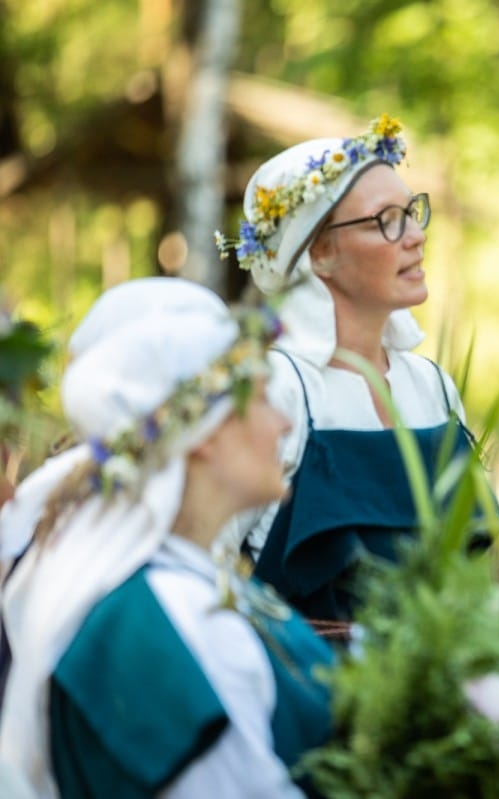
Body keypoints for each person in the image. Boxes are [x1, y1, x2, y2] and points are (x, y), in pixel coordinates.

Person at [0, 283, 333, 798]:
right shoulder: (166, 618)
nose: (284, 422)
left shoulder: (181, 580)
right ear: (204, 430)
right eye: (263, 398)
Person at [216, 114, 488, 628]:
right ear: (319, 254)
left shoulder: (434, 388)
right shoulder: (276, 390)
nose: (415, 235)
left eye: (412, 212)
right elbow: (210, 568)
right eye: (386, 220)